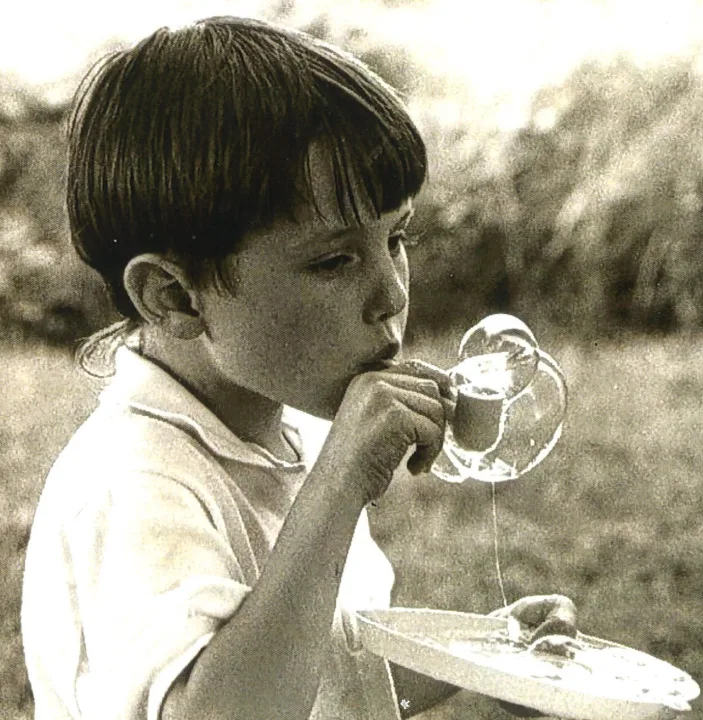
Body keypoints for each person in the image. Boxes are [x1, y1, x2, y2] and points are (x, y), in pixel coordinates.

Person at [21, 16, 577, 720]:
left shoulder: (294, 436)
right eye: (335, 260)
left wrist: (485, 660)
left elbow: (311, 679)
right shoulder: (132, 483)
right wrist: (340, 484)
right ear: (175, 296)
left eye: (396, 238)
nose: (393, 294)